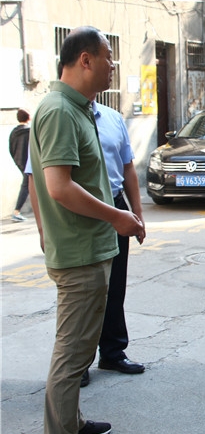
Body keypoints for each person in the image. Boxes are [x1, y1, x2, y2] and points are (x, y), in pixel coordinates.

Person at [29, 26, 145, 434]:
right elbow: (58, 187)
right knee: (72, 354)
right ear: (85, 60)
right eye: (108, 57)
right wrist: (116, 217)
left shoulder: (79, 108)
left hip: (91, 248)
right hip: (79, 253)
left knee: (78, 350)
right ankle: (59, 433)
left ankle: (71, 421)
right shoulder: (59, 110)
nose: (113, 66)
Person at [80, 101, 146, 387]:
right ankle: (78, 361)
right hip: (81, 210)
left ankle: (112, 352)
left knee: (115, 284)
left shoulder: (112, 118)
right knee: (83, 289)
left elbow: (127, 166)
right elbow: (36, 176)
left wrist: (137, 213)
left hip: (116, 205)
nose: (108, 77)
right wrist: (44, 228)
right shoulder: (60, 115)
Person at [9, 108, 31, 222]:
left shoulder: (14, 132)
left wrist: (17, 160)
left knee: (28, 185)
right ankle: (16, 212)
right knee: (27, 186)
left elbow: (11, 148)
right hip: (29, 163)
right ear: (29, 118)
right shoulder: (29, 132)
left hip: (20, 162)